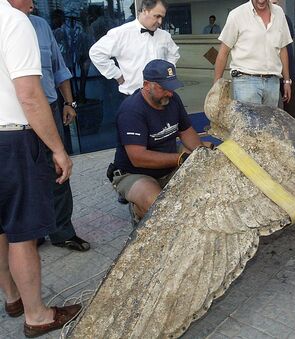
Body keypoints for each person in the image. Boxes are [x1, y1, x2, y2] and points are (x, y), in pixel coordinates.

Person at [0, 0, 81, 336]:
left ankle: (12, 298)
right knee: (22, 232)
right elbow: (30, 95)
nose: (34, 3)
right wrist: (58, 149)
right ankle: (37, 315)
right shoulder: (14, 22)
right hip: (13, 140)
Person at [109, 60, 213, 222]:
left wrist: (201, 152)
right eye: (163, 88)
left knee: (207, 188)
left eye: (172, 87)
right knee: (159, 208)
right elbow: (138, 157)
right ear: (146, 85)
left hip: (168, 165)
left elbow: (186, 131)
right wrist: (180, 159)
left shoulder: (173, 99)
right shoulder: (131, 111)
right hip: (134, 173)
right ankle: (138, 211)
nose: (169, 93)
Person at [21, 9, 90, 251]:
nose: (32, 3)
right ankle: (33, 231)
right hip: (15, 116)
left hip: (49, 107)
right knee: (25, 175)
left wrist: (69, 102)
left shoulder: (41, 25)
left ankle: (62, 231)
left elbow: (58, 67)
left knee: (58, 169)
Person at [89, 0, 180, 96]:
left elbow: (174, 54)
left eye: (162, 17)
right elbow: (96, 53)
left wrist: (167, 72)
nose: (160, 21)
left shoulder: (164, 35)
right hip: (133, 95)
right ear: (144, 10)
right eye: (157, 16)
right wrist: (116, 74)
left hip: (160, 94)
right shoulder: (121, 33)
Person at [214, 0, 293, 108]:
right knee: (249, 124)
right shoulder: (237, 15)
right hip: (246, 81)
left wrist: (287, 81)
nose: (261, 1)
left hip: (273, 82)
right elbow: (223, 52)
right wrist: (216, 87)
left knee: (269, 124)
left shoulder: (279, 13)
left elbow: (282, 49)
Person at [271, 0, 295, 119]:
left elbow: (285, 49)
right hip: (267, 74)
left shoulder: (284, 19)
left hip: (286, 72)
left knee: (290, 113)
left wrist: (287, 80)